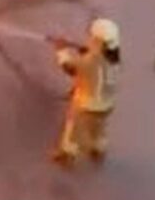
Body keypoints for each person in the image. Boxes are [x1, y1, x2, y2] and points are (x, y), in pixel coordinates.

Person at [49, 18, 121, 166]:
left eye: (92, 37)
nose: (90, 39)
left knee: (74, 130)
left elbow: (69, 68)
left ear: (98, 41)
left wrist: (61, 51)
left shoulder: (90, 61)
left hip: (87, 105)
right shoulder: (113, 59)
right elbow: (97, 62)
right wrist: (84, 50)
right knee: (98, 129)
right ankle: (98, 149)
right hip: (106, 105)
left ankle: (67, 154)